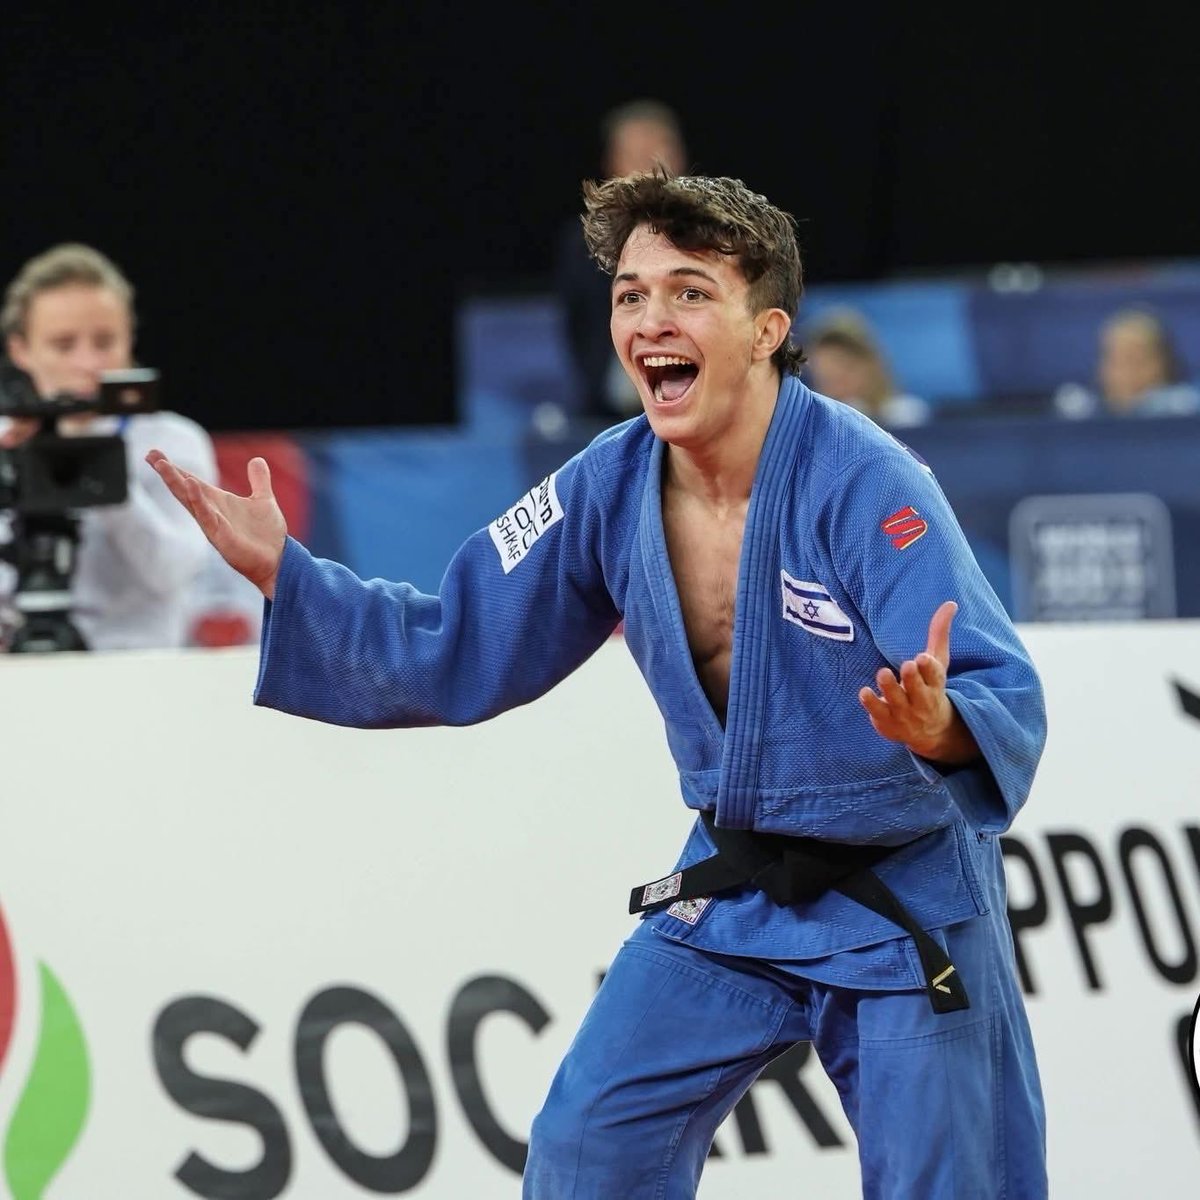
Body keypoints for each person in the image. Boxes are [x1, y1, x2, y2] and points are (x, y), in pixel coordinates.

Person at [148, 171, 1048, 1199]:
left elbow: (997, 686)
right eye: (630, 295)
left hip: (903, 903)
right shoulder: (604, 486)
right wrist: (287, 576)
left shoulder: (866, 481)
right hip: (737, 887)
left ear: (766, 331)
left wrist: (940, 726)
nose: (651, 319)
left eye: (690, 292)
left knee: (950, 1182)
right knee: (586, 1152)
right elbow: (457, 636)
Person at [0, 243, 217, 650]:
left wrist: (101, 471)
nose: (89, 363)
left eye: (105, 342)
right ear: (21, 350)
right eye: (64, 345)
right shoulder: (5, 442)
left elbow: (172, 572)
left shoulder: (173, 443)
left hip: (137, 674)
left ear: (129, 339)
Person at [554, 99, 688, 423]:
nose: (648, 168)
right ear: (611, 164)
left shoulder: (714, 236)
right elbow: (577, 324)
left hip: (693, 402)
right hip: (607, 414)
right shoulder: (581, 241)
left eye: (657, 153)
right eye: (636, 155)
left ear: (680, 158)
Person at [1054, 307, 1200, 418]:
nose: (1128, 373)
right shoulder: (1078, 410)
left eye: (1138, 361)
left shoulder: (1187, 410)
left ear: (1165, 364)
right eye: (1116, 361)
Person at [804, 307, 931, 428]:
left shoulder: (908, 415)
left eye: (847, 368)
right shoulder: (811, 427)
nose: (839, 385)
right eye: (827, 378)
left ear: (871, 365)